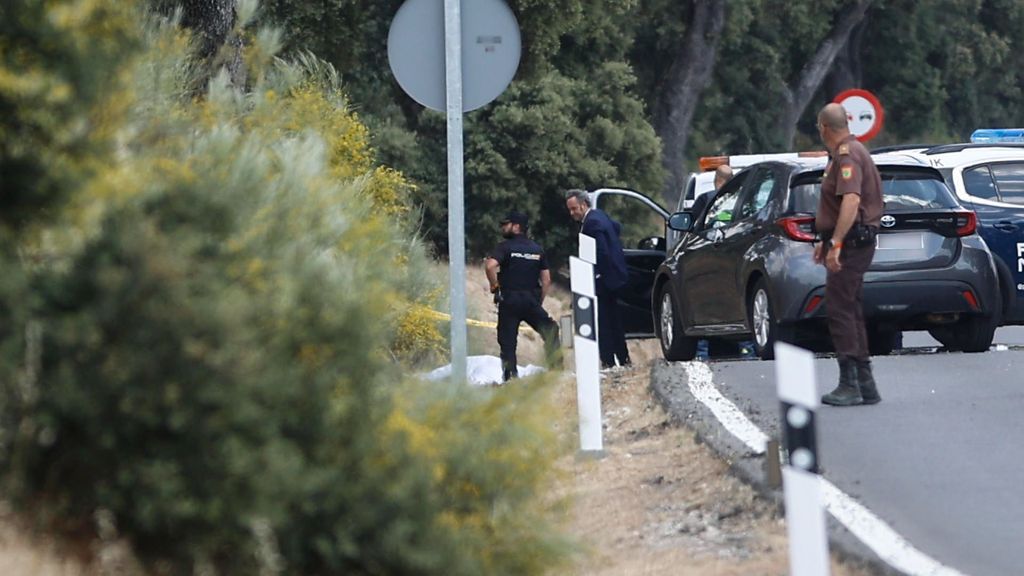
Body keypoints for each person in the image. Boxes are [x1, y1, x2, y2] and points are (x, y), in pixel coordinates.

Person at [813, 103, 884, 406]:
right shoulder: (851, 152)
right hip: (851, 240)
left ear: (824, 127)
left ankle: (850, 384)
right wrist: (825, 238)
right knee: (851, 308)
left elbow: (851, 200)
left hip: (852, 243)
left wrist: (837, 243)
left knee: (839, 309)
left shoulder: (847, 155)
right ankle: (865, 383)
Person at [485, 210, 561, 382]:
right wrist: (538, 301)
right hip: (530, 301)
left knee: (508, 342)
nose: (503, 227)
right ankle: (557, 371)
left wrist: (495, 286)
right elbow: (547, 280)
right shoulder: (537, 249)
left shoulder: (505, 247)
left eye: (506, 224)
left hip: (509, 301)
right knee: (550, 330)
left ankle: (511, 379)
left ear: (516, 226)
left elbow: (490, 266)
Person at [691, 165, 755, 360]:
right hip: (734, 262)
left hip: (708, 262)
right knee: (739, 304)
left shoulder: (705, 200)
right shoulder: (743, 201)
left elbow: (693, 229)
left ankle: (702, 354)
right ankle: (748, 350)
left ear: (716, 181)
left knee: (703, 305)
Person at [565, 189, 632, 369]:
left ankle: (608, 361)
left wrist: (595, 275)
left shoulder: (591, 224)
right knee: (615, 321)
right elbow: (617, 227)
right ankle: (624, 359)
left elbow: (600, 251)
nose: (572, 213)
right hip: (615, 277)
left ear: (584, 204)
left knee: (603, 323)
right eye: (570, 210)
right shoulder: (600, 215)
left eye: (574, 209)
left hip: (603, 280)